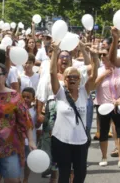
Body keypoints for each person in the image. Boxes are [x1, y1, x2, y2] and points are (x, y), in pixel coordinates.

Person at [50, 42, 98, 183]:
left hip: (81, 141)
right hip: (62, 141)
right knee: (64, 175)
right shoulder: (60, 93)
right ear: (64, 80)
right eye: (69, 77)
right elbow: (53, 72)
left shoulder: (84, 91)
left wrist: (94, 57)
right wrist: (54, 52)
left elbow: (94, 75)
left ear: (80, 80)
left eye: (75, 77)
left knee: (80, 174)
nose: (72, 79)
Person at [95, 48, 120, 167]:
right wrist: (103, 75)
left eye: (105, 54)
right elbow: (92, 85)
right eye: (101, 55)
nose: (103, 57)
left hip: (117, 106)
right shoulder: (99, 70)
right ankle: (104, 157)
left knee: (119, 132)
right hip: (102, 105)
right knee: (104, 132)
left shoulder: (119, 70)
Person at [21, 87, 37, 183]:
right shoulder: (18, 109)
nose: (25, 99)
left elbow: (38, 126)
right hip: (19, 140)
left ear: (33, 99)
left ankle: (25, 179)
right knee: (19, 161)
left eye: (28, 97)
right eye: (23, 97)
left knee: (28, 162)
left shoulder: (35, 110)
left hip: (31, 141)